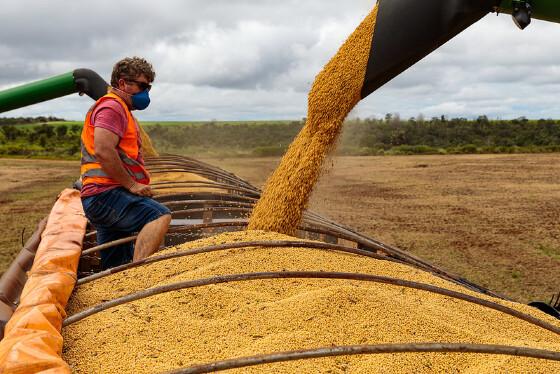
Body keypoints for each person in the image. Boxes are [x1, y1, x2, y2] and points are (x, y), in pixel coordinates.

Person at [80, 57, 171, 270]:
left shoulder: (118, 109)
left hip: (102, 195)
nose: (146, 93)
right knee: (158, 215)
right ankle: (137, 275)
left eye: (148, 87)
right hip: (105, 194)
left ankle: (117, 289)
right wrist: (132, 185)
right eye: (142, 86)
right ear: (123, 84)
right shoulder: (113, 107)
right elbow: (103, 150)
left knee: (116, 265)